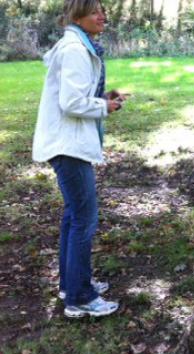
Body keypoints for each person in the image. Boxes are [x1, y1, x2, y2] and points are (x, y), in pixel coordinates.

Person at [32, 0, 124, 318]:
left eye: (103, 10)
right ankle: (80, 297)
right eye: (95, 10)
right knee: (84, 219)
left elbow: (76, 95)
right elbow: (71, 102)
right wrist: (103, 107)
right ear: (77, 15)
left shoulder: (78, 44)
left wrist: (102, 100)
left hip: (67, 143)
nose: (103, 15)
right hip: (67, 145)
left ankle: (71, 284)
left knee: (74, 217)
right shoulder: (74, 49)